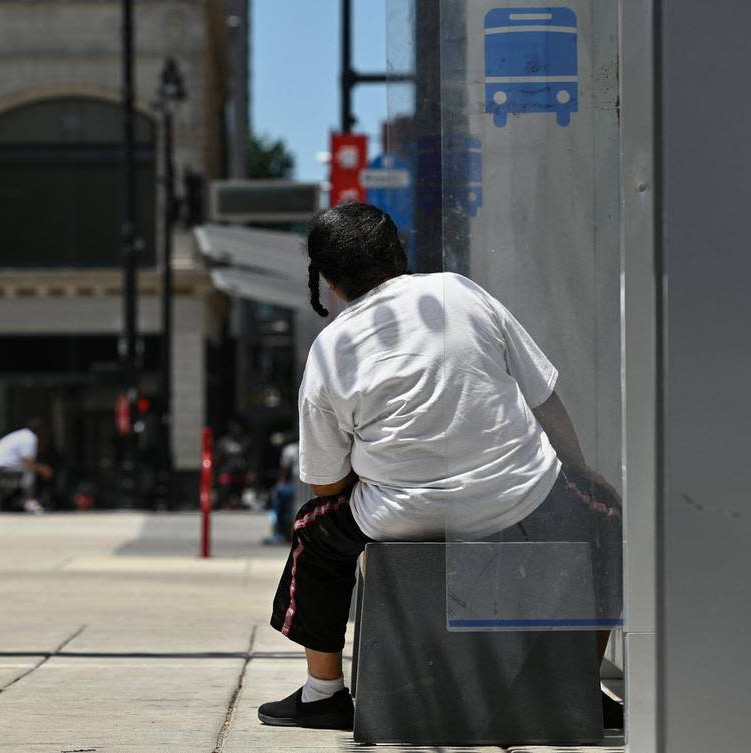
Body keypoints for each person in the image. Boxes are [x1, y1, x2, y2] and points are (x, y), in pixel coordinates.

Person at [258, 203, 623, 731]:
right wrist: (582, 473)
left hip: (399, 514)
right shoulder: (460, 292)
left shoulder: (328, 350)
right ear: (397, 252)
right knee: (607, 520)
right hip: (517, 497)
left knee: (316, 538)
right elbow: (544, 399)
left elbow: (326, 483)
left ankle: (323, 694)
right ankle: (579, 687)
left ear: (330, 284)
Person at [0, 418, 54, 514]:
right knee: (28, 472)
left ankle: (16, 499)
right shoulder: (29, 438)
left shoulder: (21, 434)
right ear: (39, 430)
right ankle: (29, 501)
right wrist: (43, 469)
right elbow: (28, 462)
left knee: (23, 473)